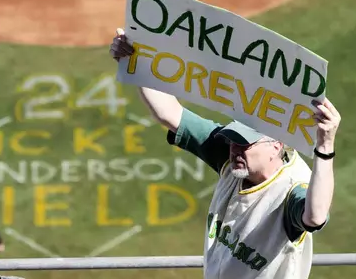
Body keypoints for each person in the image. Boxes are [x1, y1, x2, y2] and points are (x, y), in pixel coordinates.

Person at [109, 28, 340, 279]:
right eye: (233, 140)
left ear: (276, 145)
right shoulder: (233, 158)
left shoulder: (292, 190)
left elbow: (314, 217)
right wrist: (136, 62)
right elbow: (170, 114)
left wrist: (325, 146)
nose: (234, 149)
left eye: (244, 144)